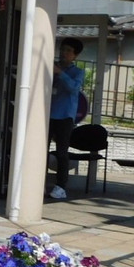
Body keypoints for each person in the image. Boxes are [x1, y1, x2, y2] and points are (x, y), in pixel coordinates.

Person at [48, 37, 85, 200]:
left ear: (75, 56)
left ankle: (61, 186)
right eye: (62, 49)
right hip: (46, 114)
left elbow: (74, 88)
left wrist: (60, 73)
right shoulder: (51, 66)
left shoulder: (77, 72)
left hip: (65, 116)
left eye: (68, 51)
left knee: (62, 152)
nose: (64, 53)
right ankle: (37, 182)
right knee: (41, 150)